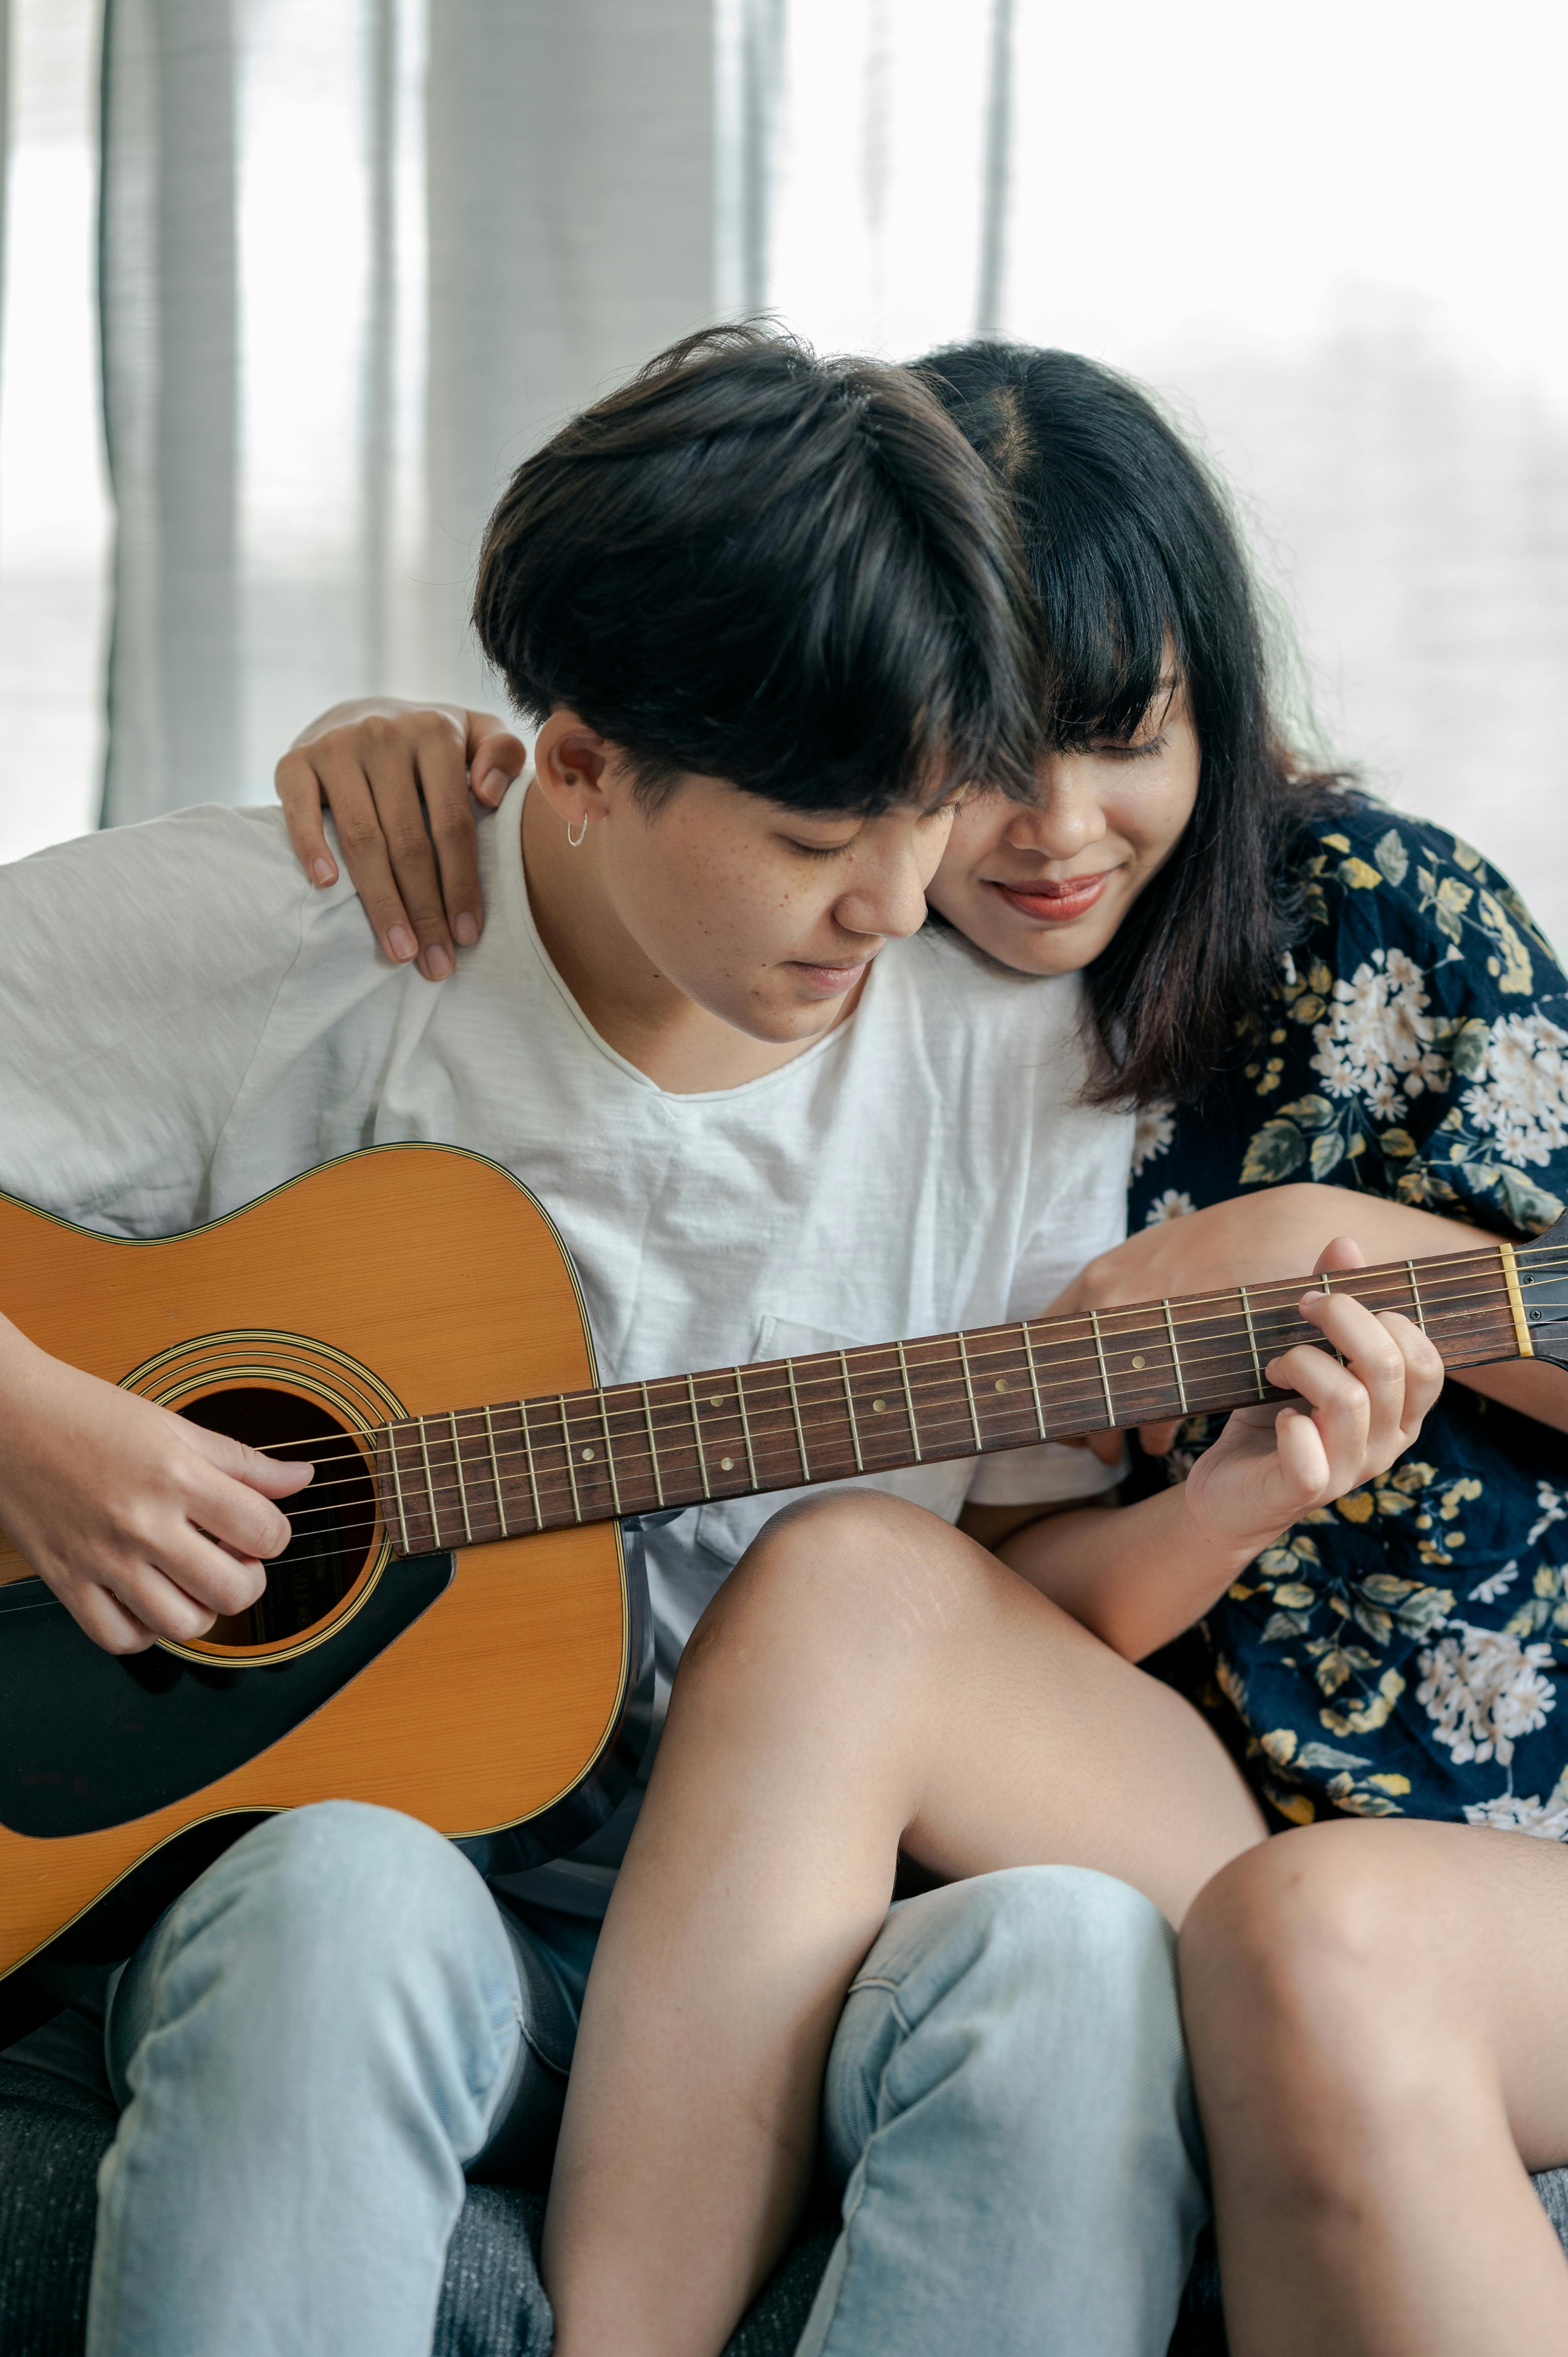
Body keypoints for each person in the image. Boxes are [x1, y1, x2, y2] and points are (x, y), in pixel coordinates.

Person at [287, 340, 1568, 2355]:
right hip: (1148, 1804)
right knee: (848, 1583)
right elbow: (1026, 1608)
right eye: (983, 766)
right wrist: (1242, 1490)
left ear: (1217, 709)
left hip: (1480, 1823)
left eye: (1127, 739)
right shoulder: (890, 985)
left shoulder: (1377, 921)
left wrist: (1339, 1240)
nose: (1054, 829)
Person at [0, 325, 1248, 2357]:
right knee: (347, 1890)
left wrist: (1252, 1468)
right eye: (809, 839)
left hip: (776, 1946)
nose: (887, 904)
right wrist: (34, 1424)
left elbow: (1010, 1614)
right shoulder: (305, 932)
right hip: (354, 1909)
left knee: (1073, 1955)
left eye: (923, 815)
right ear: (576, 763)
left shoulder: (1010, 1075)